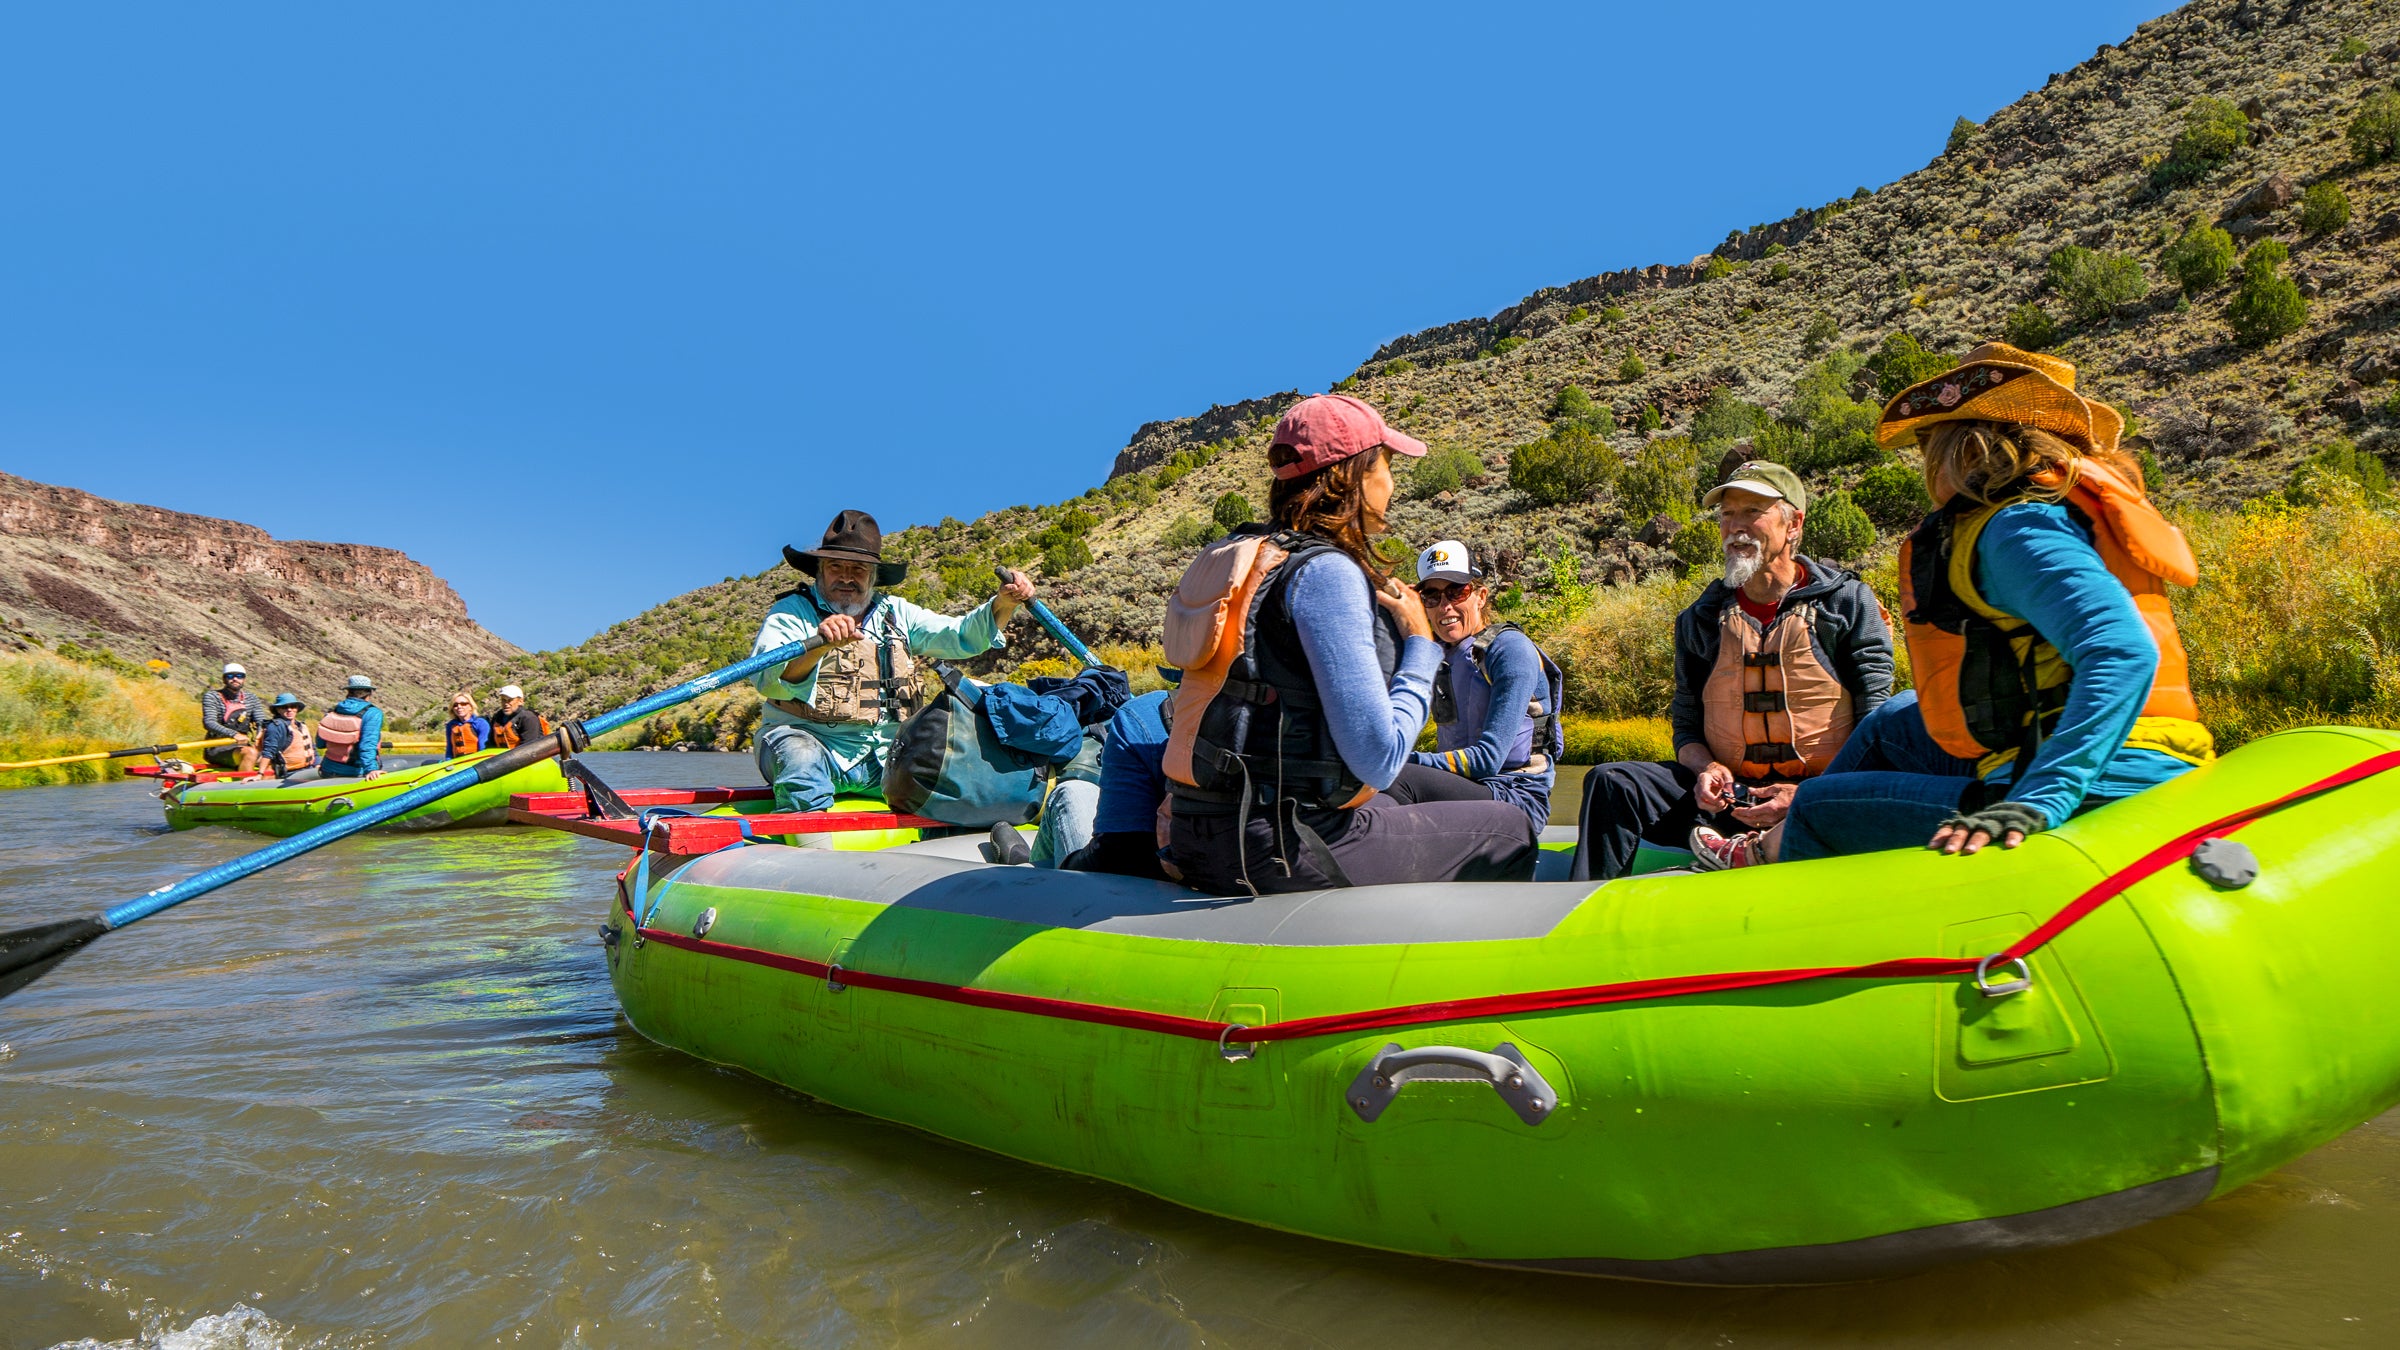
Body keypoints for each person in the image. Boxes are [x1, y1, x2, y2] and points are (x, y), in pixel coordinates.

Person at [1691, 343, 2213, 868]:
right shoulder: (2048, 509)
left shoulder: (2014, 529)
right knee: (1892, 719)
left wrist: (2040, 801)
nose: (1925, 458)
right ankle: (1782, 828)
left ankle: (1766, 853)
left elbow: (2123, 651)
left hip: (2098, 778)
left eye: (1928, 440)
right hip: (2114, 745)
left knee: (1819, 806)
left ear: (1962, 446)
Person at [1163, 393, 1540, 894]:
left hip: (1201, 828)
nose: (1392, 481)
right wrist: (1420, 645)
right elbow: (1380, 759)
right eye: (1386, 464)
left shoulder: (1251, 557)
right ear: (1355, 474)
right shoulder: (1325, 573)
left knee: (1386, 803)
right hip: (1277, 843)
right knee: (1508, 828)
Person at [1571, 459, 1893, 881]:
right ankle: (1585, 907)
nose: (1735, 526)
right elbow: (1686, 725)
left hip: (1823, 797)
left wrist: (1808, 795)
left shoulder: (1846, 603)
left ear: (1793, 523)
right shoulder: (1700, 618)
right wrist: (1706, 768)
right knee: (1612, 781)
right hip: (1729, 802)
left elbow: (1876, 719)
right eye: (1727, 514)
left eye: (1751, 512)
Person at [749, 509, 1033, 812]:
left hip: (886, 758)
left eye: (858, 569)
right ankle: (810, 851)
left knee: (956, 773)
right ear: (819, 571)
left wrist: (1003, 603)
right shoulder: (791, 612)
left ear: (874, 576)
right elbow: (767, 680)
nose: (846, 577)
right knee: (800, 755)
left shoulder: (898, 613)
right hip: (812, 744)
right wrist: (817, 648)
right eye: (835, 567)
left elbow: (961, 636)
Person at [1407, 539, 1565, 830]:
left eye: (1457, 591)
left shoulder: (1509, 650)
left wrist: (1401, 761)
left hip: (1515, 799)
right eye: (1431, 596)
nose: (1445, 606)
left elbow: (1487, 760)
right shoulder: (1435, 654)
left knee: (1399, 779)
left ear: (1480, 596)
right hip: (1463, 791)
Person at [1019, 688, 1175, 879]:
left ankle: (1026, 875)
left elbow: (1116, 855)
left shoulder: (1143, 714)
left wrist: (1064, 864)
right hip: (1214, 892)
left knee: (1073, 792)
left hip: (1140, 891)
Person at [314, 675, 386, 780]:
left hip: (327, 770)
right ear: (369, 693)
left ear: (348, 692)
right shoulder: (373, 713)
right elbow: (367, 745)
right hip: (354, 774)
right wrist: (371, 770)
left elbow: (320, 743)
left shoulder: (334, 711)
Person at [199, 662, 266, 772]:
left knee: (270, 757)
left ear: (244, 679)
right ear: (224, 679)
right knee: (250, 753)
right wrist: (234, 734)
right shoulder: (212, 696)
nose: (235, 679)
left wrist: (259, 738)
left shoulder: (252, 698)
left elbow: (261, 722)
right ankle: (245, 787)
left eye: (239, 676)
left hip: (243, 746)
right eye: (230, 676)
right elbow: (209, 722)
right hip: (217, 747)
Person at [257, 693, 314, 779]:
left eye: (293, 706)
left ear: (297, 709)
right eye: (284, 707)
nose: (289, 709)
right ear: (278, 710)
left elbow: (312, 748)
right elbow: (268, 751)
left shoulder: (302, 726)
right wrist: (260, 774)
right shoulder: (276, 727)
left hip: (308, 768)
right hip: (289, 773)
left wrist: (317, 764)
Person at [487, 685, 548, 750]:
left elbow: (529, 748)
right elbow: (491, 744)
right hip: (503, 758)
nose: (506, 704)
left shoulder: (528, 718)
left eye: (510, 700)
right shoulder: (497, 718)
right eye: (503, 700)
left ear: (520, 701)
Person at [443, 692, 491, 758]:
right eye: (455, 705)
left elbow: (483, 748)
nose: (459, 707)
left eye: (463, 704)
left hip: (475, 762)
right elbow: (449, 750)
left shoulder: (480, 723)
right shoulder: (450, 726)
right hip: (457, 762)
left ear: (470, 706)